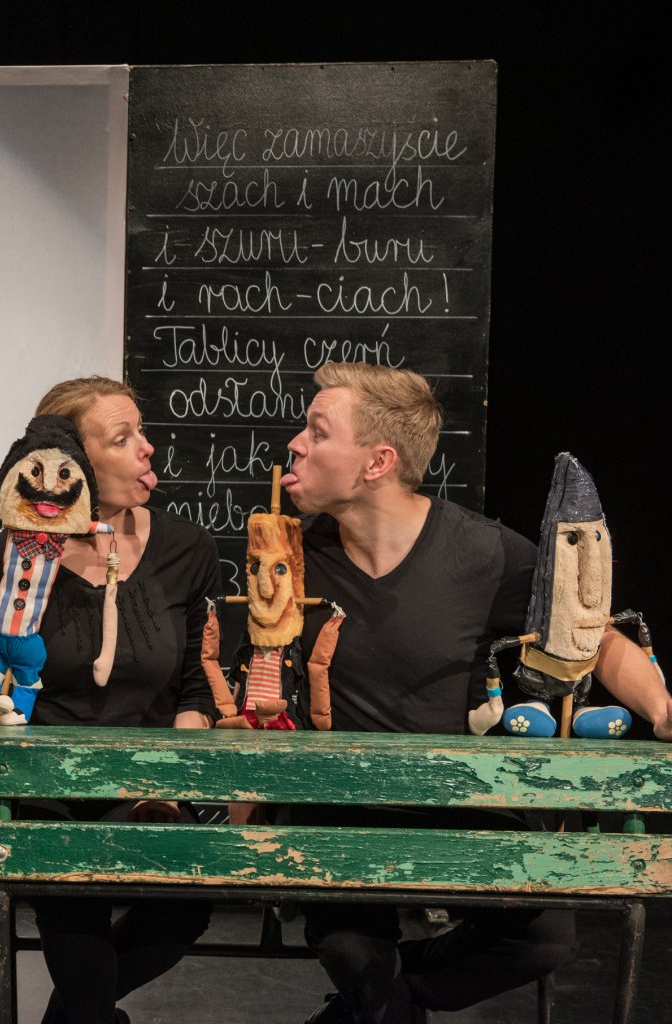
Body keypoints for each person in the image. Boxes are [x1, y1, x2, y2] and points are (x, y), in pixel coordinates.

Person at [282, 362, 671, 1024]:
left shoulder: (482, 552)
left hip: (457, 800)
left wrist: (662, 708)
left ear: (377, 462)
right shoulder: (290, 557)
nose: (295, 443)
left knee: (543, 937)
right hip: (340, 810)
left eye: (318, 431)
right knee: (355, 954)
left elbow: (591, 637)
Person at [0, 376, 220, 1024]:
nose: (146, 448)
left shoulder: (188, 549)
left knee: (185, 906)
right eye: (121, 438)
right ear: (70, 462)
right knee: (69, 893)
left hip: (145, 785)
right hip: (44, 788)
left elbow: (195, 689)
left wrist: (168, 785)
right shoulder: (15, 554)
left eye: (141, 432)